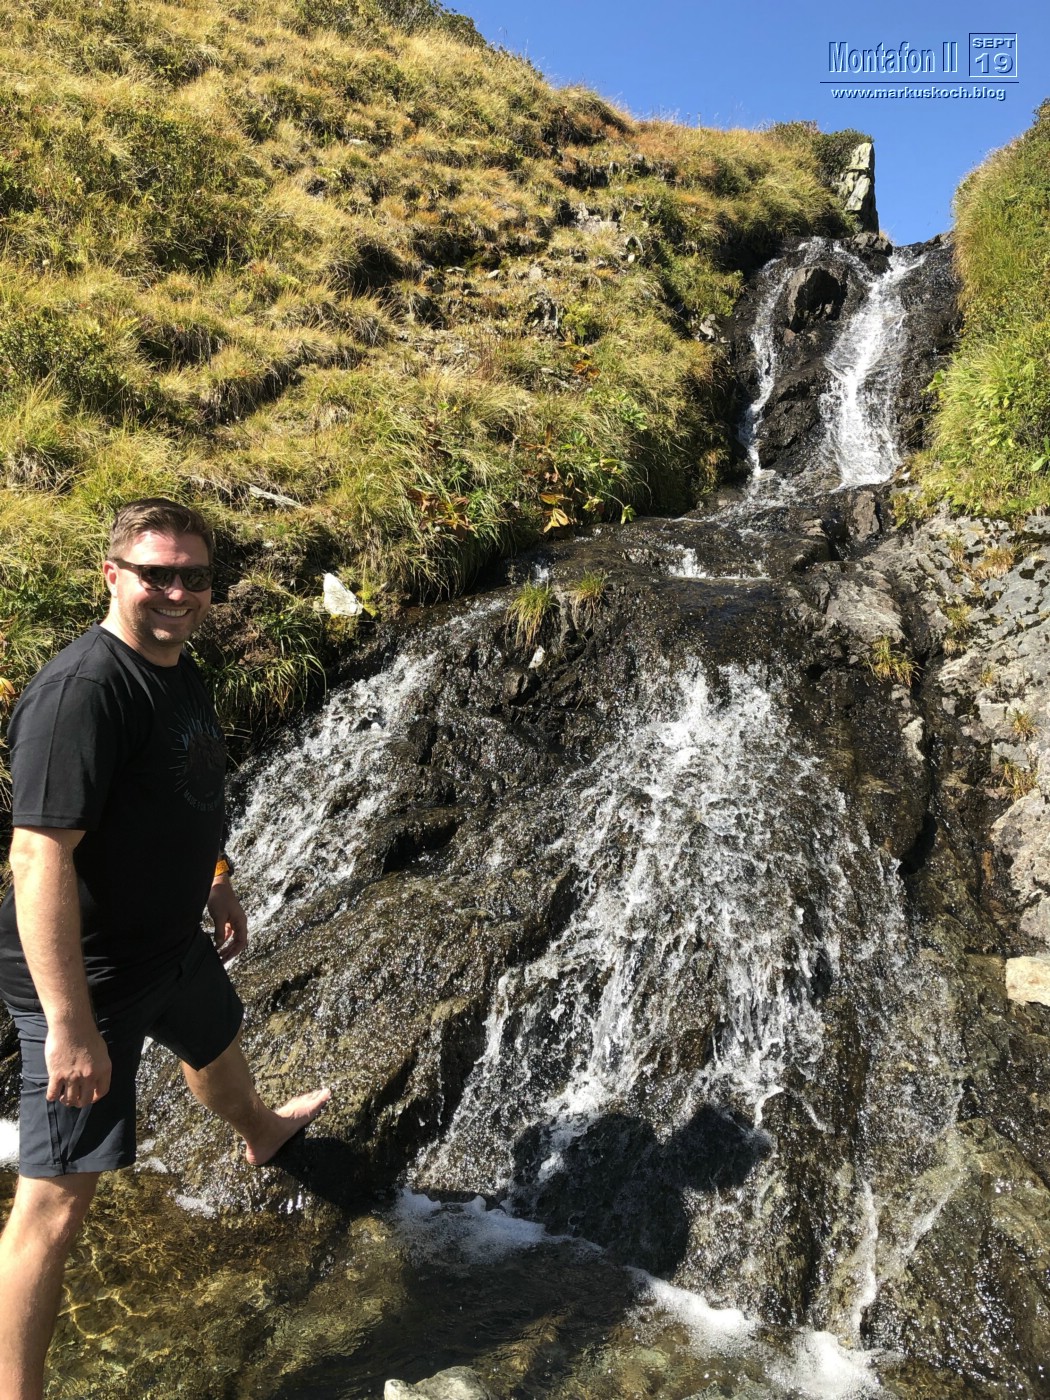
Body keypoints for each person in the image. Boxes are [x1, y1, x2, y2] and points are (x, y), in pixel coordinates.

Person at [0, 497, 330, 1399]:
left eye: (194, 576)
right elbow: (37, 857)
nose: (177, 592)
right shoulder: (82, 693)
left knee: (215, 1042)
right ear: (113, 575)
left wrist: (214, 874)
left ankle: (262, 1133)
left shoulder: (177, 668)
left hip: (169, 942)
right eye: (156, 574)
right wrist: (69, 1025)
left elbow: (186, 786)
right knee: (54, 1205)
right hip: (90, 979)